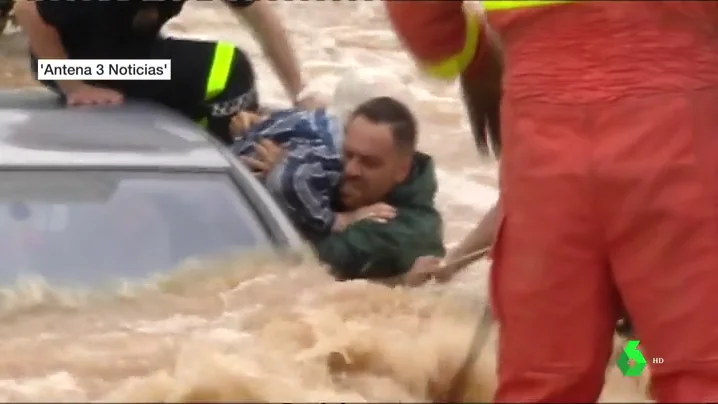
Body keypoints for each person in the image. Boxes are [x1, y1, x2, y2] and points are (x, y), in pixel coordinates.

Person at [385, 1, 718, 402]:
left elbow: (419, 17)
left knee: (544, 382)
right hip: (681, 120)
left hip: (541, 133)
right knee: (696, 372)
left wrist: (469, 50)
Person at [13, 0, 321, 145]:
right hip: (74, 64)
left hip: (130, 54)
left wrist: (300, 92)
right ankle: (228, 147)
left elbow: (258, 14)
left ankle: (205, 130)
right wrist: (75, 85)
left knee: (189, 68)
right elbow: (27, 9)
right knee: (228, 66)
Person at [242, 96, 446, 281]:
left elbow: (296, 267)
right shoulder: (329, 164)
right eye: (348, 154)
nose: (350, 170)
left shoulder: (400, 232)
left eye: (369, 163)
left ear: (403, 170)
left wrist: (285, 187)